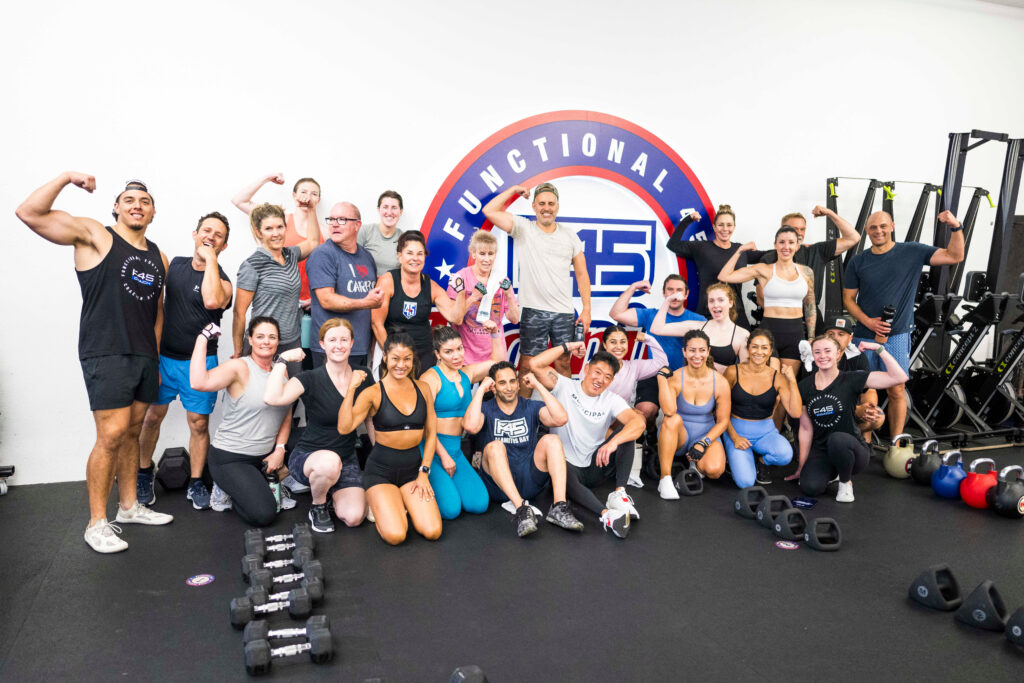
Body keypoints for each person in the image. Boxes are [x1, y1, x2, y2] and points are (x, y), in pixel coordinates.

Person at [16, 174, 174, 553]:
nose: (137, 204)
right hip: (106, 350)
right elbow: (29, 213)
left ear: (153, 212)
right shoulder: (94, 235)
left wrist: (153, 357)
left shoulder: (159, 257)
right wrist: (68, 178)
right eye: (129, 199)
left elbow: (157, 312)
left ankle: (129, 506)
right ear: (116, 207)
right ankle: (96, 522)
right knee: (112, 434)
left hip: (142, 356)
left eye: (145, 201)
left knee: (133, 431)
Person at [137, 212, 233, 510]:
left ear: (224, 246)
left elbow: (212, 302)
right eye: (206, 231)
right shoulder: (175, 265)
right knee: (152, 417)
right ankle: (143, 473)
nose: (211, 237)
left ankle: (195, 482)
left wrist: (211, 259)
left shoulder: (224, 281)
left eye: (218, 235)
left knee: (198, 424)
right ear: (195, 233)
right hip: (165, 358)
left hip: (203, 364)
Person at [843, 210, 965, 436]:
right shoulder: (858, 261)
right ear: (867, 231)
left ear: (892, 226)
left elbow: (954, 256)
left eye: (882, 226)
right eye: (873, 228)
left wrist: (955, 227)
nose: (878, 231)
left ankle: (896, 443)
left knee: (897, 389)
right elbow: (848, 300)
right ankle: (865, 441)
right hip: (864, 334)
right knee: (864, 388)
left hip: (897, 335)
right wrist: (868, 322)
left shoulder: (912, 251)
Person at [263, 319, 374, 533]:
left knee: (354, 517)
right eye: (332, 340)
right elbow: (271, 398)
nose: (338, 345)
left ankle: (330, 488)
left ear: (352, 343)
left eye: (344, 339)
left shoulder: (364, 376)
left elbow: (370, 418)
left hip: (346, 456)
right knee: (328, 463)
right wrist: (282, 359)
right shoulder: (309, 378)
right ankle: (318, 505)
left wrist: (378, 453)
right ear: (322, 344)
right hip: (309, 456)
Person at [483, 183, 592, 387]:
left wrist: (586, 309)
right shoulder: (524, 228)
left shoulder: (570, 236)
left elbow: (582, 273)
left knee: (562, 363)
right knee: (527, 366)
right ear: (533, 206)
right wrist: (514, 190)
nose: (546, 208)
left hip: (563, 312)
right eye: (541, 203)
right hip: (533, 311)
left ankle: (565, 413)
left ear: (557, 206)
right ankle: (524, 415)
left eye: (551, 203)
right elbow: (489, 211)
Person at [338, 333, 442, 545]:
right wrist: (351, 389)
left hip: (413, 471)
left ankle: (399, 503)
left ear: (413, 360)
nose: (401, 365)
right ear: (385, 357)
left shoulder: (423, 388)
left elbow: (431, 433)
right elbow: (344, 427)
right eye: (395, 358)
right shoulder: (374, 392)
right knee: (396, 536)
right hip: (381, 472)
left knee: (433, 531)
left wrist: (424, 472)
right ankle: (380, 504)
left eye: (407, 359)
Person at [529, 348, 643, 538]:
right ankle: (607, 516)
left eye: (607, 377)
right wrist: (568, 347)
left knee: (627, 431)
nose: (600, 379)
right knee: (563, 474)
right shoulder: (564, 385)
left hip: (595, 464)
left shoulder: (611, 399)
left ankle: (619, 493)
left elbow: (638, 423)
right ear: (587, 369)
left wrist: (613, 442)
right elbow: (535, 364)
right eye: (597, 372)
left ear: (612, 381)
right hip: (567, 466)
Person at [190, 317, 292, 526]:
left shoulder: (281, 370)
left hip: (265, 456)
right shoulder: (239, 367)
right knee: (265, 515)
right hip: (231, 457)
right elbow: (198, 382)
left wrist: (280, 449)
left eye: (272, 337)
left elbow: (286, 412)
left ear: (278, 341)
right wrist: (203, 338)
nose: (266, 341)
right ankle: (224, 489)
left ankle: (258, 482)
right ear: (250, 340)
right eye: (260, 336)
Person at [463, 361, 584, 537]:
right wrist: (481, 389)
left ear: (519, 383)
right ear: (494, 387)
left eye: (512, 381)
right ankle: (521, 510)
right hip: (499, 487)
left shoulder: (531, 406)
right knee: (495, 447)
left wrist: (538, 386)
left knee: (552, 440)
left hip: (530, 481)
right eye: (502, 383)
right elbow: (471, 427)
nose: (509, 387)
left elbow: (561, 419)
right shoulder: (485, 409)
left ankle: (559, 507)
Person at [790, 336, 908, 502]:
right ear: (812, 356)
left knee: (836, 439)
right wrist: (802, 466)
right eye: (817, 352)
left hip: (852, 449)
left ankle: (845, 483)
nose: (822, 356)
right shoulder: (804, 386)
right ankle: (833, 472)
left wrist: (878, 349)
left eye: (827, 351)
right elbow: (805, 428)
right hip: (822, 450)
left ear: (838, 354)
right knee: (810, 487)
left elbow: (899, 377)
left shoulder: (851, 379)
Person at [609, 275, 705, 472]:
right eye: (670, 290)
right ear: (664, 293)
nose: (674, 294)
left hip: (684, 377)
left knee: (683, 416)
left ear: (686, 294)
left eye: (679, 290)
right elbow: (616, 314)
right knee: (645, 411)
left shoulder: (698, 320)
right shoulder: (651, 315)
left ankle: (684, 450)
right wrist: (634, 286)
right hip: (655, 374)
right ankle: (650, 433)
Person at [420, 324, 503, 520]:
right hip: (431, 451)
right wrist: (444, 457)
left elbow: (497, 362)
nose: (456, 355)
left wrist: (495, 333)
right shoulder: (430, 378)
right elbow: (424, 423)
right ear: (437, 354)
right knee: (451, 510)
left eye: (459, 349)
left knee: (479, 503)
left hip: (455, 450)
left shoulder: (467, 373)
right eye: (448, 352)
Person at [233, 203, 321, 378]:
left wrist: (311, 209)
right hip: (262, 343)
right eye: (268, 228)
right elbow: (239, 312)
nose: (276, 233)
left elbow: (313, 242)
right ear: (259, 232)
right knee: (260, 398)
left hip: (292, 341)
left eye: (280, 227)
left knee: (290, 397)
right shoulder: (252, 265)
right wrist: (238, 352)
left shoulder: (291, 255)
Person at [718, 228, 816, 378]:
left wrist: (811, 337)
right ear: (775, 245)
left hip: (795, 333)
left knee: (788, 383)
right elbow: (724, 276)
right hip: (768, 332)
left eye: (791, 242)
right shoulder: (763, 270)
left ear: (797, 246)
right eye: (782, 242)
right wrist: (740, 251)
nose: (786, 247)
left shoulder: (806, 272)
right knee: (768, 382)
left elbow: (810, 306)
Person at [372, 231, 468, 375]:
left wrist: (461, 292)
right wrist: (391, 356)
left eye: (420, 254)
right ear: (400, 256)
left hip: (424, 356)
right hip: (395, 354)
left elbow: (456, 318)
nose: (415, 258)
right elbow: (376, 324)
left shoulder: (431, 286)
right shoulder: (388, 281)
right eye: (409, 253)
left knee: (422, 397)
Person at [751, 207, 860, 330]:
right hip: (780, 320)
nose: (799, 233)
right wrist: (788, 318)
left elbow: (854, 238)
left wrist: (830, 213)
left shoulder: (817, 251)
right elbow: (761, 298)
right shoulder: (769, 258)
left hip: (813, 319)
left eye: (802, 229)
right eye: (795, 229)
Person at [231, 173, 324, 312]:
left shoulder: (326, 231)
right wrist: (266, 178)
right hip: (282, 301)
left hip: (313, 304)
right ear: (294, 195)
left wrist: (318, 299)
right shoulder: (280, 222)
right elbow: (239, 201)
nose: (308, 197)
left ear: (318, 199)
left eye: (314, 194)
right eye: (303, 192)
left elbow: (335, 268)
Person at [306, 201, 383, 368]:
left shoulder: (367, 256)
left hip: (359, 347)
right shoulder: (323, 255)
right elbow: (326, 300)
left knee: (358, 394)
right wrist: (366, 303)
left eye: (341, 219)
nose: (334, 224)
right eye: (331, 219)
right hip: (331, 349)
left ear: (357, 225)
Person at [656, 330, 731, 500]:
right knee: (672, 418)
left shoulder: (720, 382)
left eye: (701, 350)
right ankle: (665, 479)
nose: (697, 355)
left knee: (715, 470)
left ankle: (694, 463)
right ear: (684, 352)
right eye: (692, 350)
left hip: (704, 434)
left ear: (708, 351)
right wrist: (661, 380)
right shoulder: (675, 377)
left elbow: (723, 421)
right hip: (678, 435)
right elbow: (668, 411)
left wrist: (704, 443)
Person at [721, 329, 801, 488]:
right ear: (748, 348)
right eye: (755, 346)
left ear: (771, 351)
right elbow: (720, 409)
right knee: (746, 482)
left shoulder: (777, 378)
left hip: (765, 432)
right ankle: (737, 458)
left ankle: (761, 462)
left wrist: (792, 382)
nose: (759, 352)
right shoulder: (732, 371)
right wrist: (734, 437)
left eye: (764, 348)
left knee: (785, 455)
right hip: (736, 430)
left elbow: (795, 412)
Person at [596, 326, 667, 486]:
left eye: (622, 342)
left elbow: (662, 361)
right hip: (597, 418)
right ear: (605, 345)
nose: (618, 346)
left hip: (619, 418)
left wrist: (649, 339)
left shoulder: (633, 367)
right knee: (615, 432)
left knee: (637, 420)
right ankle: (610, 467)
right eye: (613, 342)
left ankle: (629, 472)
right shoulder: (595, 366)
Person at [666, 207, 752, 328]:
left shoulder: (741, 250)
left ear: (734, 227)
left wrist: (786, 246)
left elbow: (772, 256)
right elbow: (673, 245)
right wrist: (688, 220)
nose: (725, 229)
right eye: (721, 225)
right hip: (708, 313)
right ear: (714, 227)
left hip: (737, 315)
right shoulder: (702, 248)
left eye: (729, 225)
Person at [447, 229, 520, 363]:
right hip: (465, 356)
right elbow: (454, 319)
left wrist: (509, 294)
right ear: (473, 254)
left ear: (495, 255)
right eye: (482, 254)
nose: (487, 259)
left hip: (495, 354)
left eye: (490, 254)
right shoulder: (460, 278)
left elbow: (515, 319)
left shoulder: (501, 280)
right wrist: (473, 297)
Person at [814, 315, 886, 440]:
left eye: (841, 334)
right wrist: (856, 410)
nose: (836, 338)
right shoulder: (815, 358)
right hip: (822, 410)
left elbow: (869, 390)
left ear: (850, 338)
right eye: (831, 334)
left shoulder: (857, 357)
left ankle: (851, 437)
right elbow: (819, 399)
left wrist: (868, 408)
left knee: (878, 417)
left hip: (849, 412)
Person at [651, 284, 750, 374]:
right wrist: (668, 301)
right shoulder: (696, 327)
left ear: (730, 303)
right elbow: (657, 328)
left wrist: (718, 368)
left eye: (721, 300)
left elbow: (746, 373)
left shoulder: (741, 334)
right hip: (693, 388)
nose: (715, 305)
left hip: (721, 389)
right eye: (711, 301)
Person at [357, 190, 405, 275]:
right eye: (385, 207)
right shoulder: (365, 231)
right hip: (365, 286)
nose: (389, 212)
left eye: (394, 208)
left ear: (400, 212)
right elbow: (350, 260)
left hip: (391, 287)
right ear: (379, 210)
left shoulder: (404, 239)